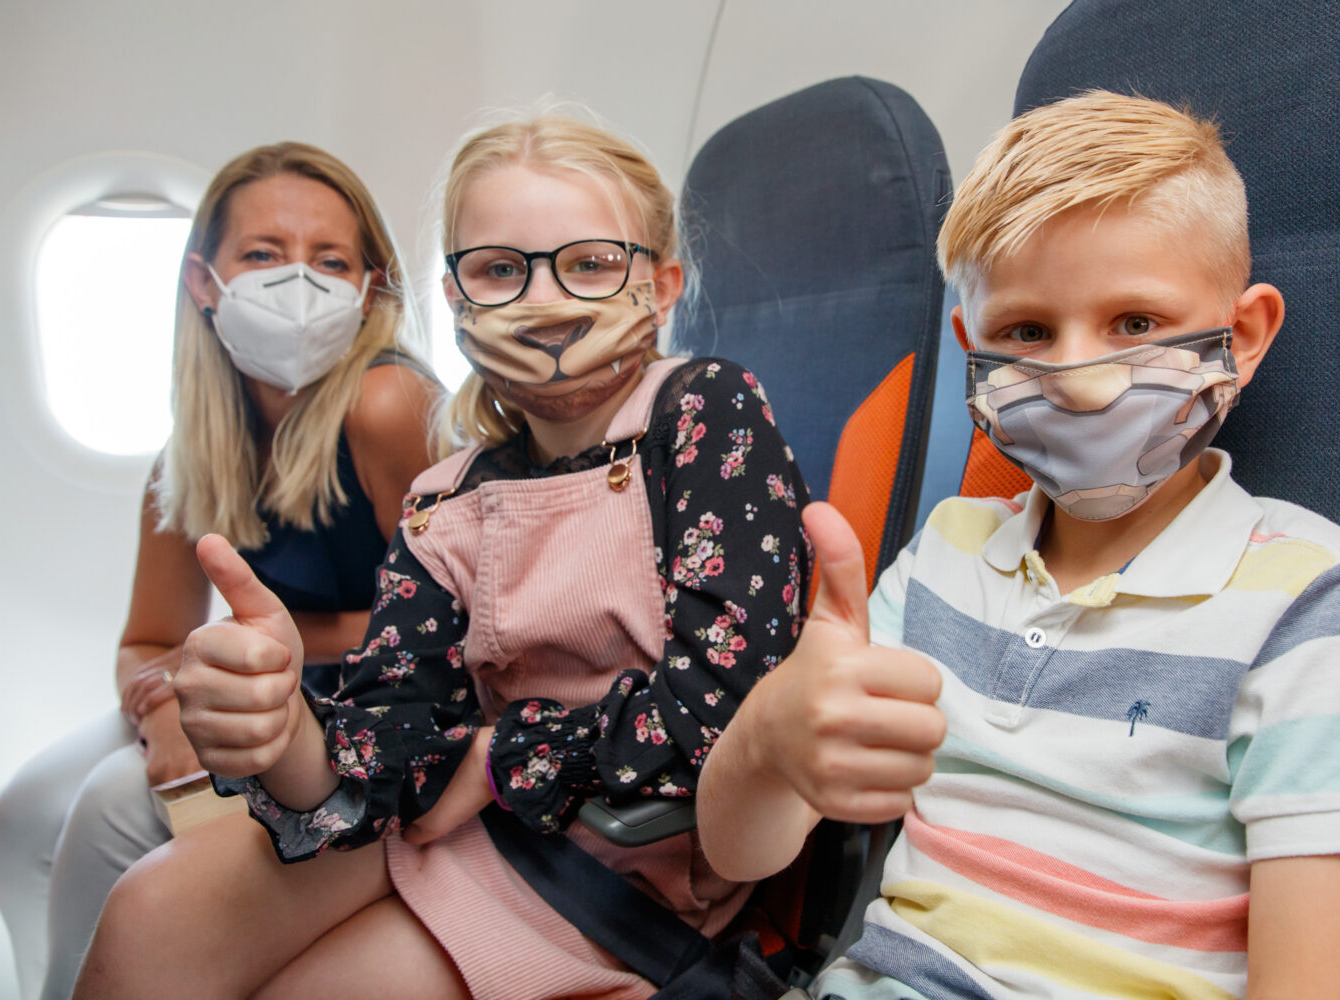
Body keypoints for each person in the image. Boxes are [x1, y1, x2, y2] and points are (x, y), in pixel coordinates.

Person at [697, 90, 1340, 999]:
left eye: (1135, 323)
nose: (1081, 383)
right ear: (972, 349)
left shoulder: (1315, 601)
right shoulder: (948, 551)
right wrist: (768, 740)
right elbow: (738, 854)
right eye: (1027, 333)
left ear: (1242, 336)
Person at [76, 115, 810, 1000]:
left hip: (622, 868)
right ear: (457, 299)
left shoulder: (705, 412)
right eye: (500, 270)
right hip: (462, 824)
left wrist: (500, 758)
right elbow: (386, 739)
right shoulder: (444, 495)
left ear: (659, 288)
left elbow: (729, 709)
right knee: (145, 914)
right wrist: (285, 726)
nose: (544, 302)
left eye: (588, 264)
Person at [0, 141, 443, 1000]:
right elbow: (149, 639)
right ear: (204, 281)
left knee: (108, 811)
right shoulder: (192, 448)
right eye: (263, 254)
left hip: (372, 696)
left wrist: (262, 647)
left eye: (330, 261)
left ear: (370, 288)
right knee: (20, 815)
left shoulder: (385, 406)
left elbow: (449, 626)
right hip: (248, 674)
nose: (297, 282)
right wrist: (161, 706)